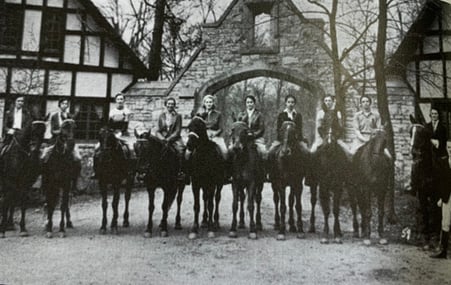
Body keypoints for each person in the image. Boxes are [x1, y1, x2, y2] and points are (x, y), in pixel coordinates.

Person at [428, 106, 451, 259]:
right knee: (445, 222)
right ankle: (442, 251)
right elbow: (444, 182)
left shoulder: (442, 128)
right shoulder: (445, 163)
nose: (449, 149)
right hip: (447, 197)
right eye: (449, 147)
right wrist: (441, 199)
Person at [156, 97, 186, 181]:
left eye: (172, 104)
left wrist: (169, 139)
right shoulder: (161, 116)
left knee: (181, 150)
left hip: (174, 139)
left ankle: (180, 171)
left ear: (174, 106)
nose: (170, 105)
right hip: (163, 138)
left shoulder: (178, 116)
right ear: (165, 105)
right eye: (168, 104)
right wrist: (162, 139)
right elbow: (158, 130)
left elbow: (177, 131)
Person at [198, 94, 228, 160]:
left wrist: (215, 134)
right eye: (207, 102)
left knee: (225, 151)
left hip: (215, 136)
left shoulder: (218, 114)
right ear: (204, 103)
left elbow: (221, 128)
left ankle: (226, 168)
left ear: (213, 103)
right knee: (190, 149)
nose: (209, 104)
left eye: (210, 102)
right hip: (203, 136)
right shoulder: (200, 114)